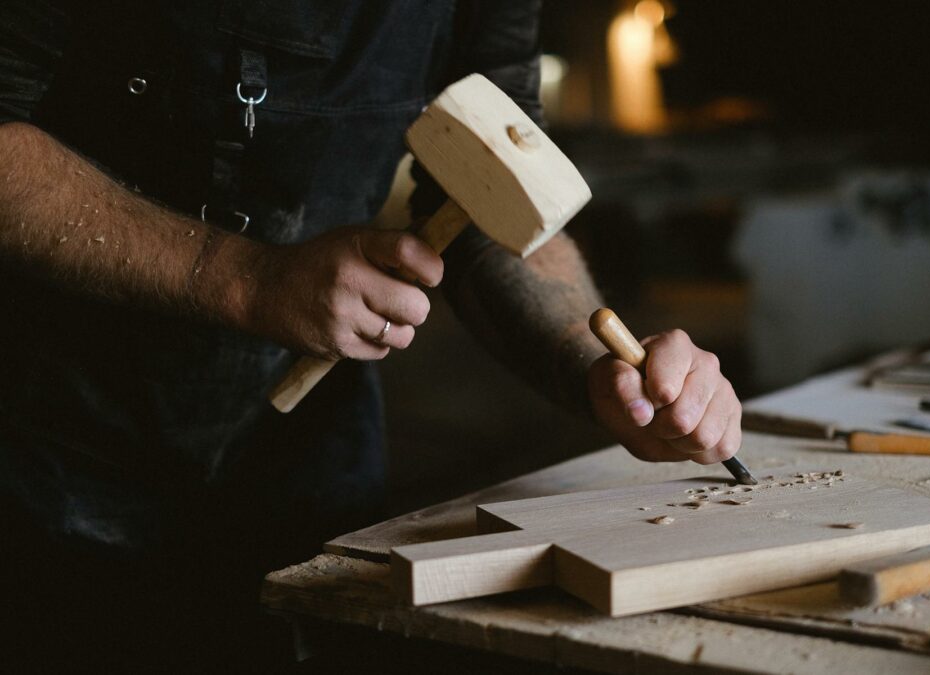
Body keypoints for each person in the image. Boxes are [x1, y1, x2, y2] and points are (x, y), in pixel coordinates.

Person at [0, 0, 742, 668]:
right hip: (52, 439)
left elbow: (496, 181)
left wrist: (598, 370)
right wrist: (244, 278)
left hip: (309, 450)